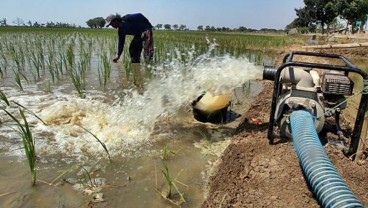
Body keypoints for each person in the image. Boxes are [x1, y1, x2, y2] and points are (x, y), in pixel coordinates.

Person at [106, 13, 154, 92]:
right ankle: (137, 73)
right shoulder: (121, 31)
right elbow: (121, 42)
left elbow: (140, 15)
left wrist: (148, 27)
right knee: (132, 50)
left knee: (147, 53)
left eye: (111, 24)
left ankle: (150, 73)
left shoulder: (128, 18)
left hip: (146, 31)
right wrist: (118, 55)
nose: (112, 26)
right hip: (138, 36)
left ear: (116, 20)